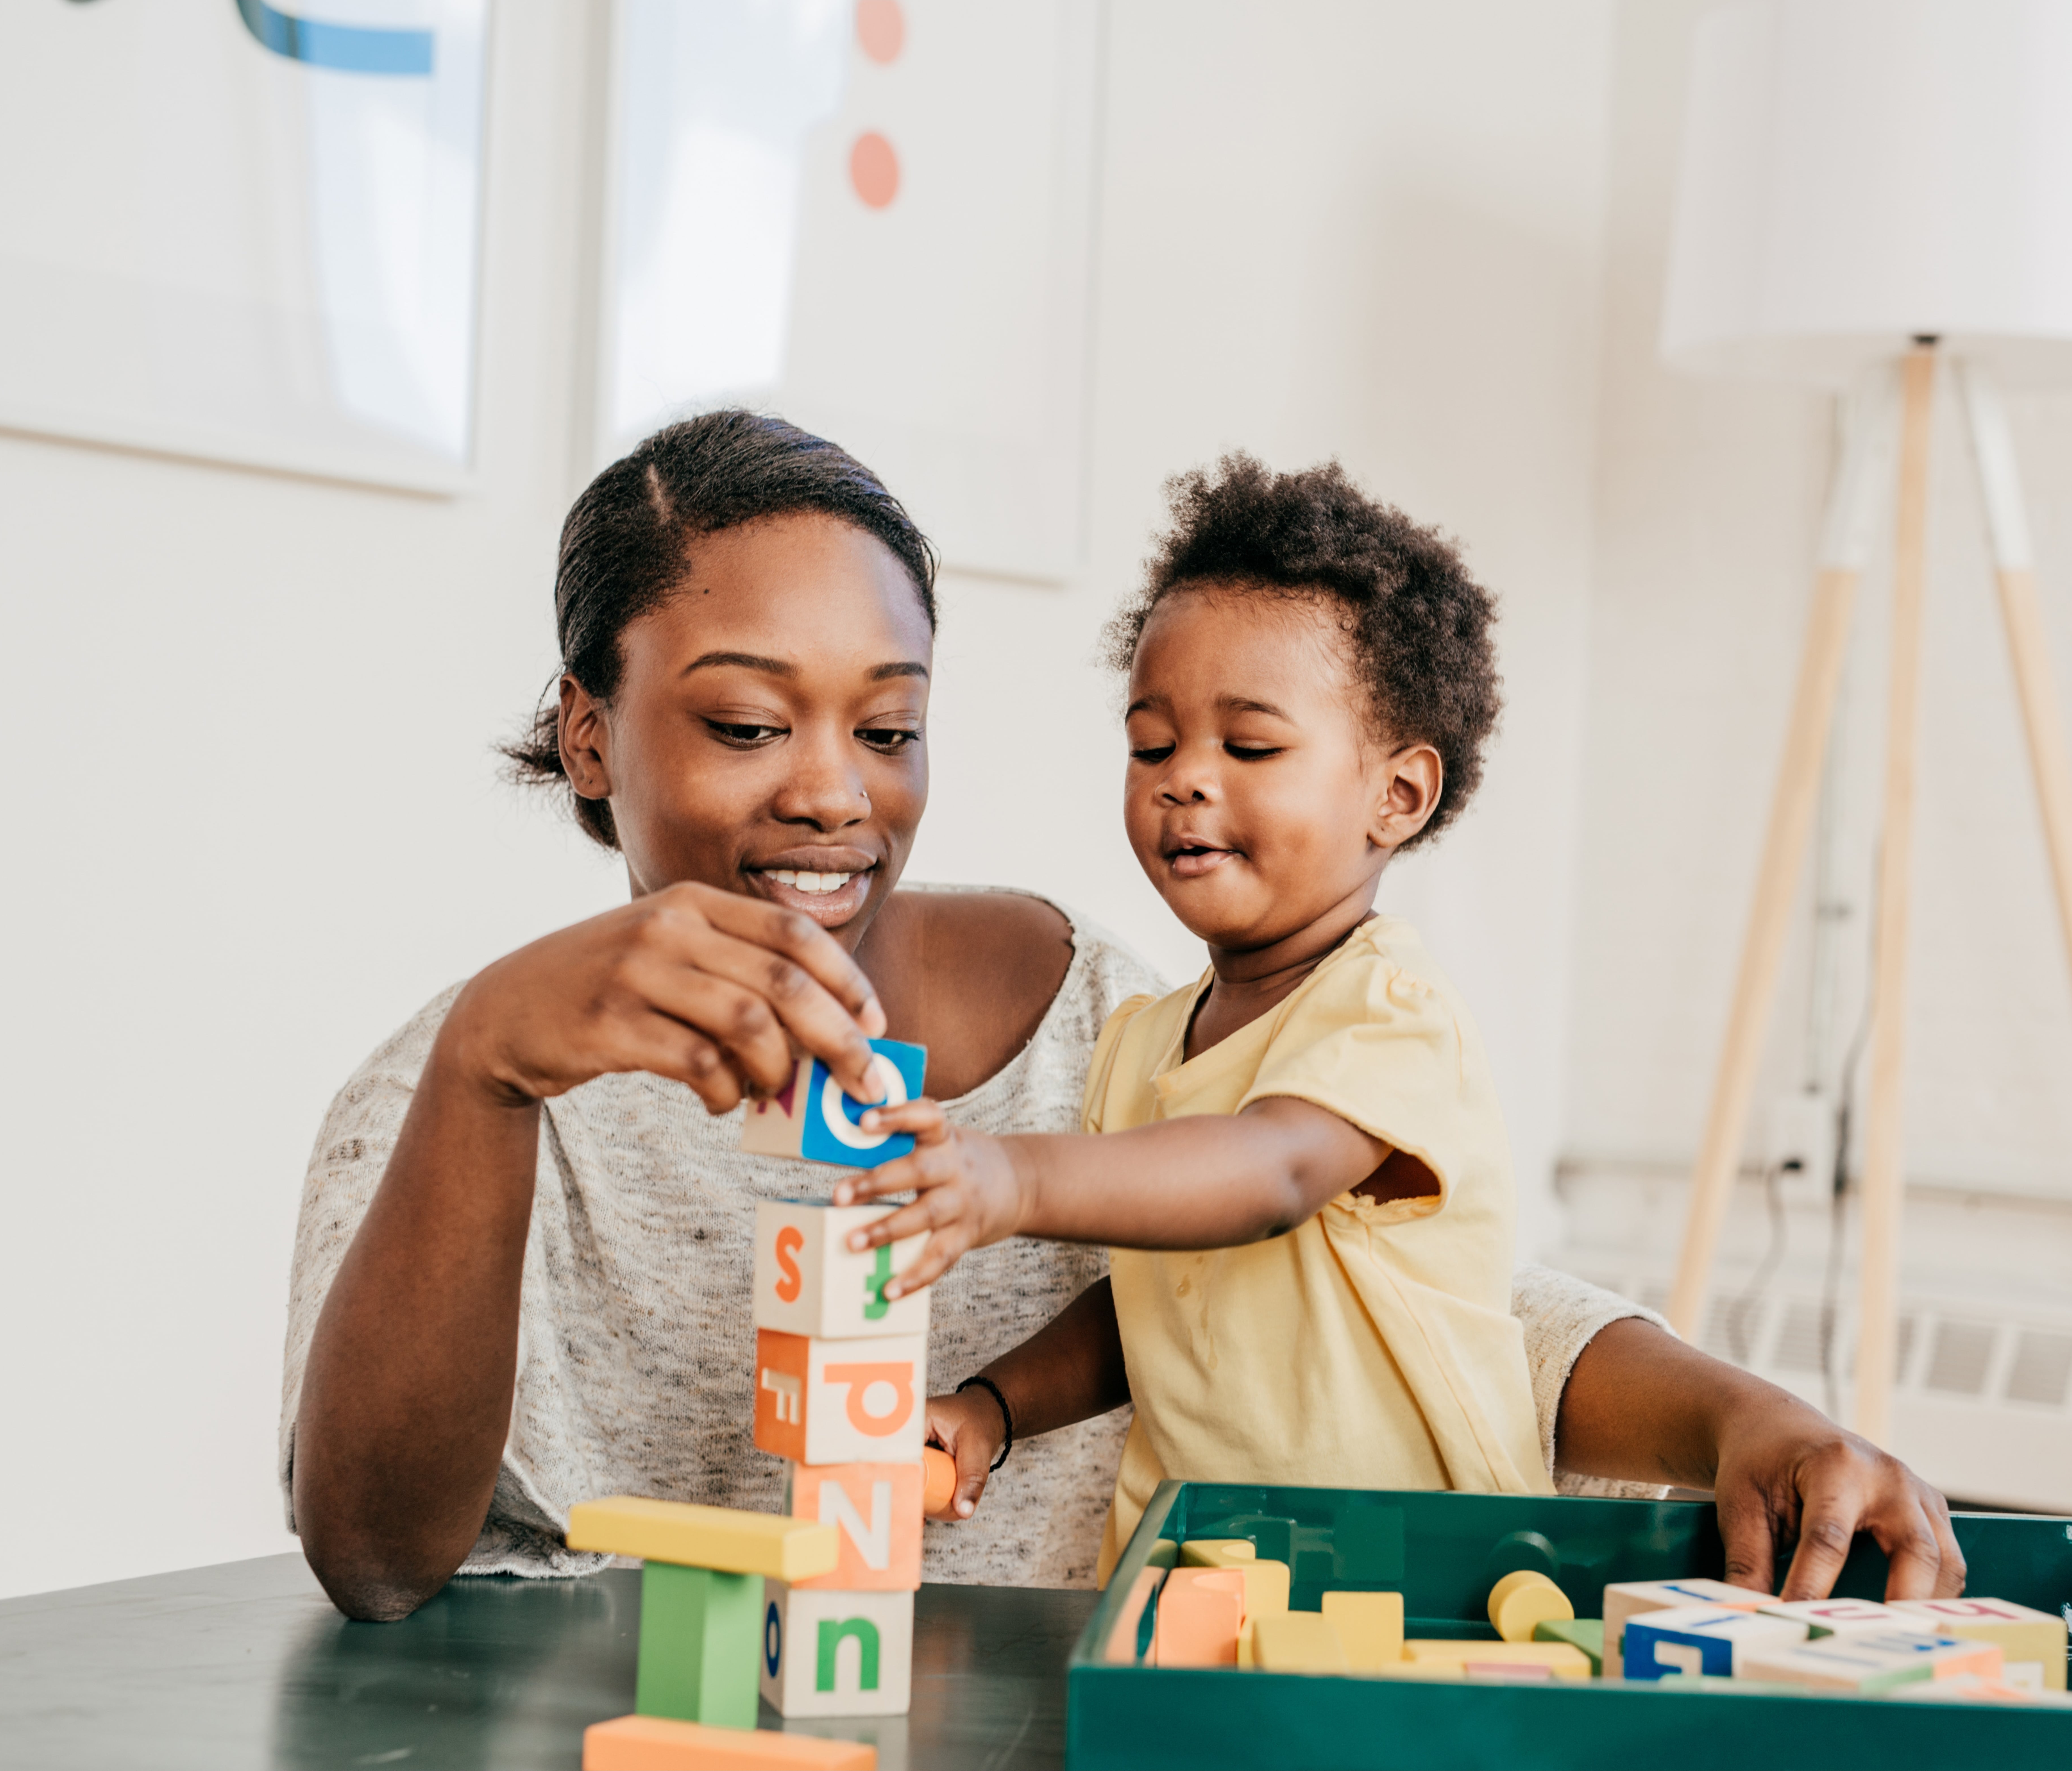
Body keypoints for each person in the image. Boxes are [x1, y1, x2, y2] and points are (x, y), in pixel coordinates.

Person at [282, 409, 1963, 1625]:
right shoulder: (462, 1083)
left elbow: (1430, 1304)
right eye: (741, 723)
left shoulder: (1127, 1013)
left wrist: (1755, 1412)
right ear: (591, 735)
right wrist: (488, 1074)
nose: (829, 794)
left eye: (889, 728)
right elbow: (372, 1558)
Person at [850, 458, 1557, 1578]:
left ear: (1398, 794)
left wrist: (1014, 1178)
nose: (1185, 780)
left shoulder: (1391, 1011)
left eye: (1250, 745)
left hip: (1416, 1585)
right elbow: (1152, 1309)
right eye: (1152, 744)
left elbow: (1271, 1172)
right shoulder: (1142, 1042)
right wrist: (992, 1404)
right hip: (1192, 1578)